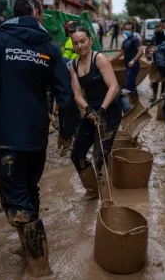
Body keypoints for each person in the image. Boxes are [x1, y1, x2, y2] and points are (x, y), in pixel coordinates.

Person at [0, 0, 73, 278]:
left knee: (15, 201)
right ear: (38, 13)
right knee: (29, 190)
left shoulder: (0, 40)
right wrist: (65, 133)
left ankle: (40, 265)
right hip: (37, 137)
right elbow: (66, 95)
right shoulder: (49, 45)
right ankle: (28, 247)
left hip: (7, 138)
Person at [69, 26, 120, 201]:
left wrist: (102, 110)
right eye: (75, 43)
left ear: (90, 40)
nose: (80, 46)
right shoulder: (73, 65)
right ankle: (92, 191)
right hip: (91, 112)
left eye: (83, 41)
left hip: (109, 110)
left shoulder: (99, 59)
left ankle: (107, 200)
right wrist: (89, 110)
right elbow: (76, 94)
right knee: (76, 154)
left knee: (99, 157)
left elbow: (114, 87)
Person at [110, 22, 143, 103]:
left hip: (133, 65)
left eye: (129, 29)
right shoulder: (125, 41)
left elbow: (141, 50)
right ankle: (135, 100)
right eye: (126, 29)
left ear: (132, 30)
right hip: (128, 65)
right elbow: (121, 52)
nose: (127, 31)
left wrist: (134, 60)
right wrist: (111, 60)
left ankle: (131, 101)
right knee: (131, 83)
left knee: (129, 83)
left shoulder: (134, 39)